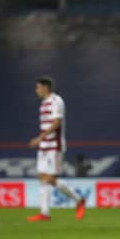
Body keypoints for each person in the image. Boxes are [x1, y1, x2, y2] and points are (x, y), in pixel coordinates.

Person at [27, 76, 85, 221]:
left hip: (55, 146)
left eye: (38, 87)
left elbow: (57, 123)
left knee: (50, 178)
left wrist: (40, 137)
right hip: (44, 146)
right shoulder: (43, 104)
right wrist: (41, 141)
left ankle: (78, 200)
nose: (36, 90)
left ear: (45, 87)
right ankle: (44, 213)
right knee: (43, 177)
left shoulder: (56, 101)